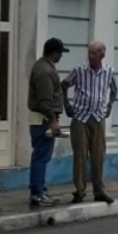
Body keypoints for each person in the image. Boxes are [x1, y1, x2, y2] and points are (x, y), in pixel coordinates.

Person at [67, 40, 118, 205]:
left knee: (98, 157)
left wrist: (109, 105)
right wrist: (66, 105)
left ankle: (99, 191)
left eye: (94, 53)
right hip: (80, 118)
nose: (91, 56)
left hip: (98, 118)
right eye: (90, 52)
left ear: (102, 55)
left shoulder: (108, 72)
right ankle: (79, 191)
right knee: (80, 156)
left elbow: (114, 89)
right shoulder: (79, 70)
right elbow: (64, 85)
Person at [26, 38, 69, 207]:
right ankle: (37, 193)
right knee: (41, 156)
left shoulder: (43, 67)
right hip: (43, 119)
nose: (61, 56)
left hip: (42, 118)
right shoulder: (44, 71)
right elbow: (45, 100)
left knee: (41, 155)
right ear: (54, 53)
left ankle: (40, 190)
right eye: (60, 53)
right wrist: (52, 121)